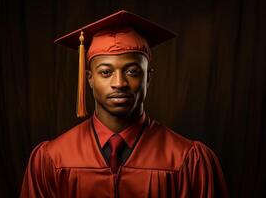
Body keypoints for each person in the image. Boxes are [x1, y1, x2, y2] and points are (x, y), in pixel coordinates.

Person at [20, 10, 229, 198]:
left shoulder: (187, 160)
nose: (119, 83)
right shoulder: (52, 159)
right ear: (89, 78)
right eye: (105, 72)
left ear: (148, 78)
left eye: (132, 71)